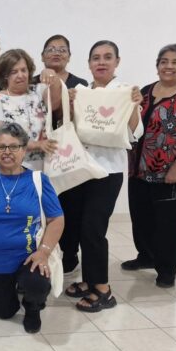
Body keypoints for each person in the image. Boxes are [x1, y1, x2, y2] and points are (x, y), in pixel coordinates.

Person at [62, 41, 143, 312]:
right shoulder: (82, 93)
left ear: (117, 62)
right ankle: (89, 280)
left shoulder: (125, 93)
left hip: (107, 171)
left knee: (93, 229)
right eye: (96, 57)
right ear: (88, 64)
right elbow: (71, 129)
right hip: (79, 168)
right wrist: (69, 102)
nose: (101, 62)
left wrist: (133, 106)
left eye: (108, 57)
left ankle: (104, 290)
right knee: (77, 226)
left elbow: (135, 132)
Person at [0, 123, 64, 333]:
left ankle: (33, 306)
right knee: (4, 311)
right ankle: (4, 287)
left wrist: (43, 252)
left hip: (29, 256)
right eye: (1, 147)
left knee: (37, 282)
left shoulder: (38, 180)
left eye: (14, 147)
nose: (7, 152)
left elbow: (56, 219)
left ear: (24, 149)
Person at [125, 44, 176, 288]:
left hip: (171, 173)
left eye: (175, 62)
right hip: (138, 169)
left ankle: (167, 268)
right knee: (141, 218)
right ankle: (146, 256)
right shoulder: (147, 91)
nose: (168, 66)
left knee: (168, 223)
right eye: (163, 61)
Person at [32, 35, 89, 273]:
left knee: (71, 204)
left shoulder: (79, 83)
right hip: (37, 154)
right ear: (43, 55)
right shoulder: (32, 81)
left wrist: (75, 103)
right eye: (51, 49)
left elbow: (87, 118)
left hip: (68, 152)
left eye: (62, 49)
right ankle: (41, 248)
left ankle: (69, 251)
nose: (57, 53)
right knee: (42, 205)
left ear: (69, 56)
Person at [0, 49, 59, 170]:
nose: (20, 75)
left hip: (40, 167)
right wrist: (37, 145)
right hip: (7, 169)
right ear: (5, 76)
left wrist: (52, 76)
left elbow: (56, 101)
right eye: (14, 72)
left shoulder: (39, 91)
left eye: (23, 70)